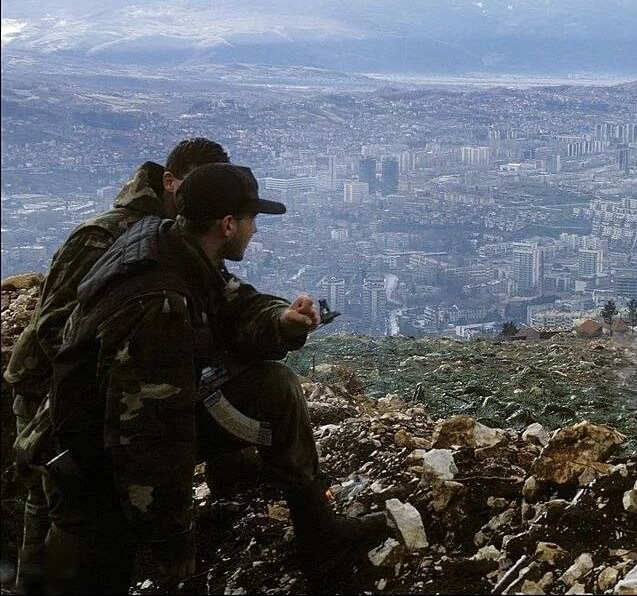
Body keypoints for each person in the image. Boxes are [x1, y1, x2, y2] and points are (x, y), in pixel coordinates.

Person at [46, 163, 385, 594]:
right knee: (94, 571)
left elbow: (231, 300)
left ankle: (320, 536)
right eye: (251, 220)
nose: (254, 231)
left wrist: (280, 321)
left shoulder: (172, 242)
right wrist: (173, 546)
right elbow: (150, 436)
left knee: (274, 388)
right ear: (228, 225)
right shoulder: (159, 305)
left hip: (115, 434)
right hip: (97, 466)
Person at [4, 138, 229, 592]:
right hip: (48, 389)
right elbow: (56, 329)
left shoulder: (174, 240)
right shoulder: (107, 236)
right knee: (53, 509)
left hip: (91, 392)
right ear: (170, 182)